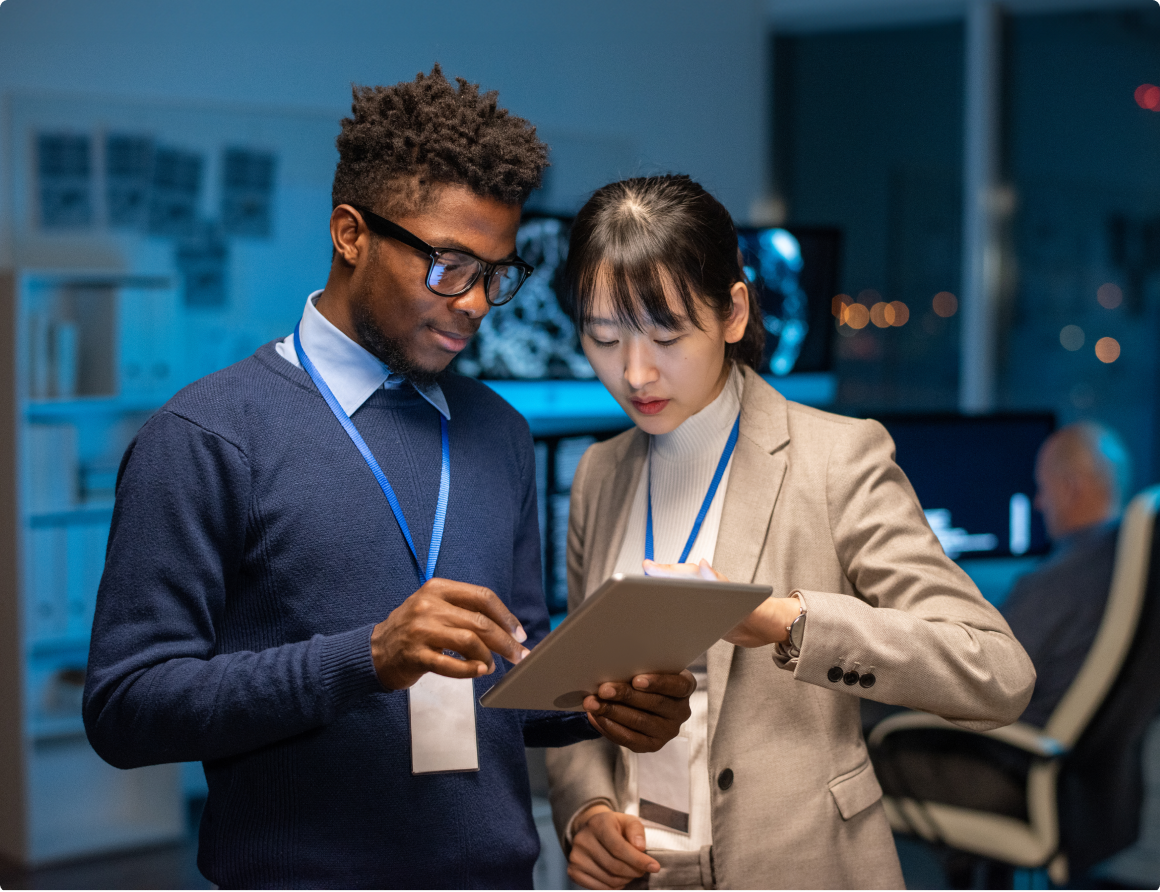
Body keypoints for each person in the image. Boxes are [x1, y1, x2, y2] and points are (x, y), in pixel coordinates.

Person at [82, 67, 694, 891]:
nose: (477, 303)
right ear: (349, 234)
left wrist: (595, 702)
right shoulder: (204, 436)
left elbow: (505, 669)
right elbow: (127, 708)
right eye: (449, 264)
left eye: (497, 273)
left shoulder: (499, 432)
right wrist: (366, 657)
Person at [544, 174, 1036, 891]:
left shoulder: (838, 457)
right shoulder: (599, 472)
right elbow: (580, 688)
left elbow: (998, 674)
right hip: (644, 874)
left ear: (734, 311)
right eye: (604, 337)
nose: (635, 372)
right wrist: (585, 810)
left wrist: (788, 622)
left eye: (666, 333)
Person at [1002, 422, 1132, 727]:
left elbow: (979, 675)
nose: (1039, 503)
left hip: (999, 755)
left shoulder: (1057, 582)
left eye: (1043, 488)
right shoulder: (1128, 564)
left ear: (1071, 488)